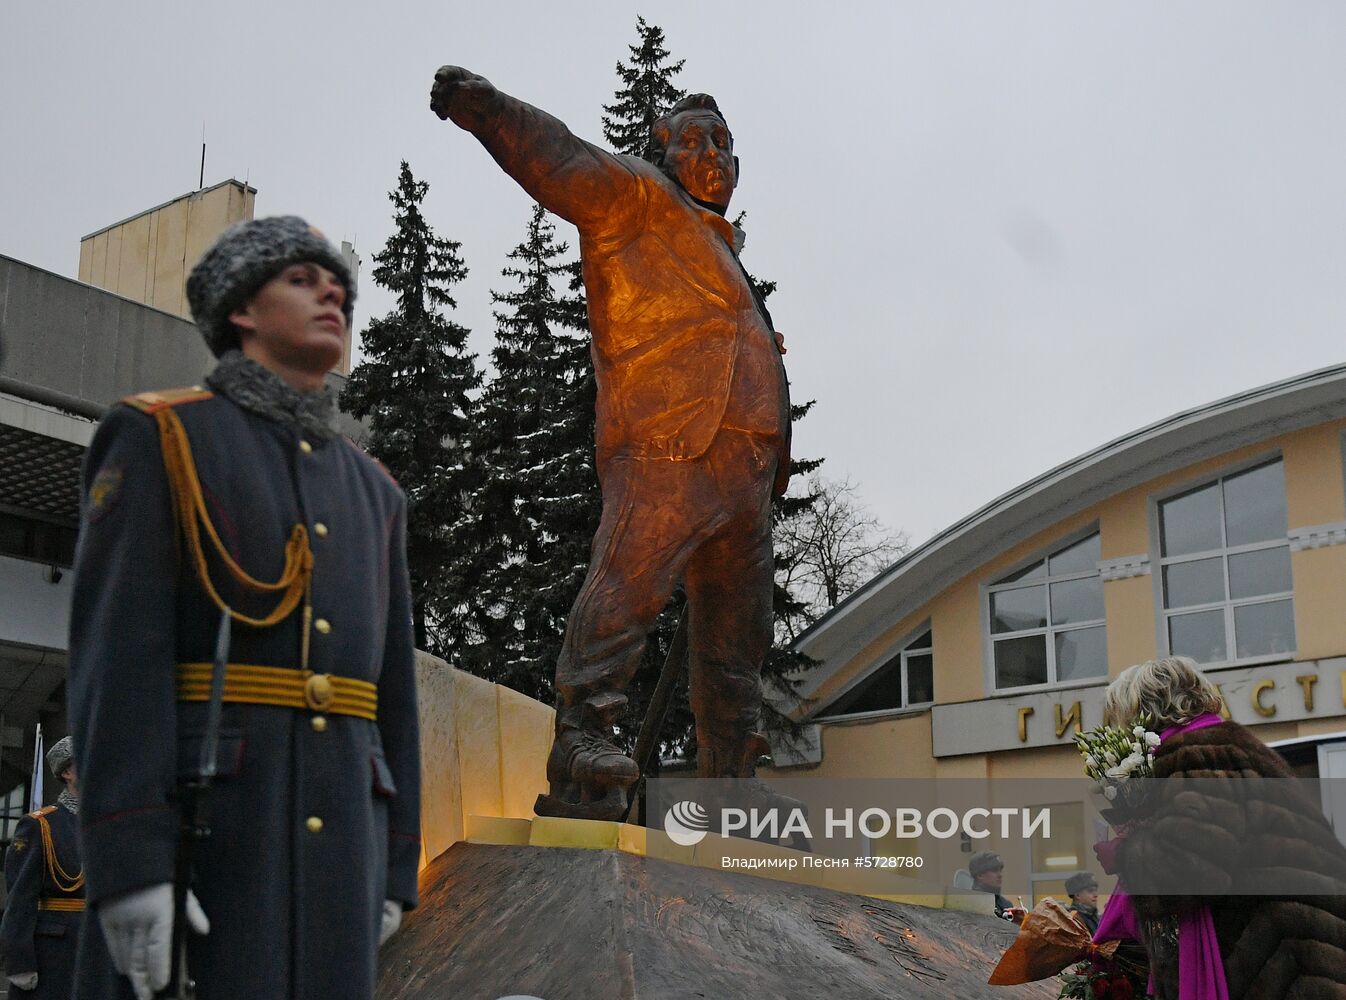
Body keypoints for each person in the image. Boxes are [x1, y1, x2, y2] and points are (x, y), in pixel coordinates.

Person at [67, 217, 421, 1000]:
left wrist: (396, 866)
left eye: (339, 288)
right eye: (302, 280)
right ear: (241, 312)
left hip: (341, 851)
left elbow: (390, 698)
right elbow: (119, 663)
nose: (332, 293)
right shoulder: (161, 436)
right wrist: (129, 861)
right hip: (218, 833)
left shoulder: (375, 493)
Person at [430, 67, 792, 820]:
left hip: (747, 476)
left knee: (737, 642)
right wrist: (490, 110)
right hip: (668, 449)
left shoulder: (727, 251)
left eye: (725, 144)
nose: (714, 156)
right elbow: (561, 159)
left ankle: (732, 781)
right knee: (627, 586)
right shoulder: (638, 200)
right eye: (694, 141)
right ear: (660, 156)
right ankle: (583, 737)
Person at [1095, 656, 1346, 999]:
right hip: (1304, 953)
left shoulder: (1196, 754)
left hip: (1276, 962)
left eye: (1121, 716)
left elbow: (1191, 867)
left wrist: (1126, 852)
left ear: (1143, 709)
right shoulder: (1236, 745)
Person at [0, 736, 84, 997]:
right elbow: (20, 898)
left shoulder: (108, 825)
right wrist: (20, 962)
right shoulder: (40, 825)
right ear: (68, 772)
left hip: (99, 949)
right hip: (54, 954)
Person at [968, 851, 1022, 921]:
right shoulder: (970, 905)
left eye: (1000, 870)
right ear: (980, 875)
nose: (1000, 875)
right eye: (994, 870)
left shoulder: (1005, 904)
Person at [1063, 871, 1099, 935]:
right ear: (1077, 895)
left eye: (1096, 890)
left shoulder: (1093, 915)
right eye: (1090, 891)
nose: (1096, 895)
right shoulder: (1073, 919)